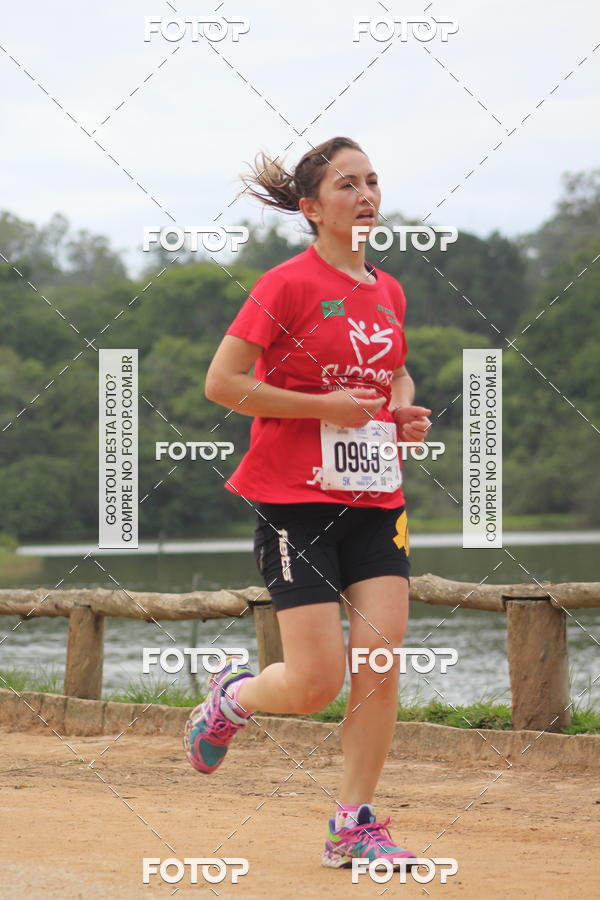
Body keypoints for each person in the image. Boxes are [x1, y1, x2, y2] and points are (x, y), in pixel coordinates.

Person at [184, 136, 432, 869]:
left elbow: (395, 374)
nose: (366, 195)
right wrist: (322, 405)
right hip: (294, 502)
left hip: (376, 499)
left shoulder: (388, 290)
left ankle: (353, 824)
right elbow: (223, 384)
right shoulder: (285, 285)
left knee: (379, 661)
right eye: (347, 184)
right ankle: (232, 699)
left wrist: (401, 411)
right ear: (312, 208)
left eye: (373, 181)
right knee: (315, 685)